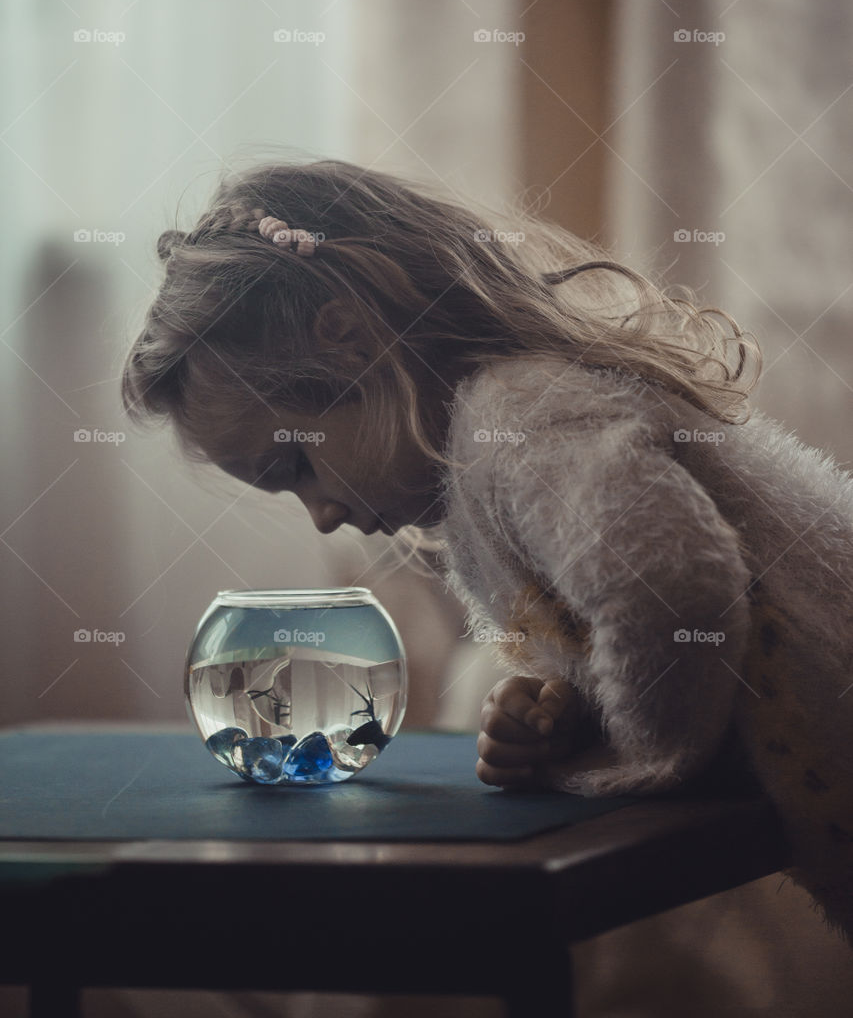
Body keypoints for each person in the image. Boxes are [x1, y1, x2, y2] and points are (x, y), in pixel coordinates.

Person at [121, 152, 853, 954]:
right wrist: (561, 713)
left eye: (294, 466)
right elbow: (619, 615)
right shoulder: (492, 445)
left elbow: (673, 589)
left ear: (347, 341)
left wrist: (637, 757)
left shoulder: (523, 414)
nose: (322, 515)